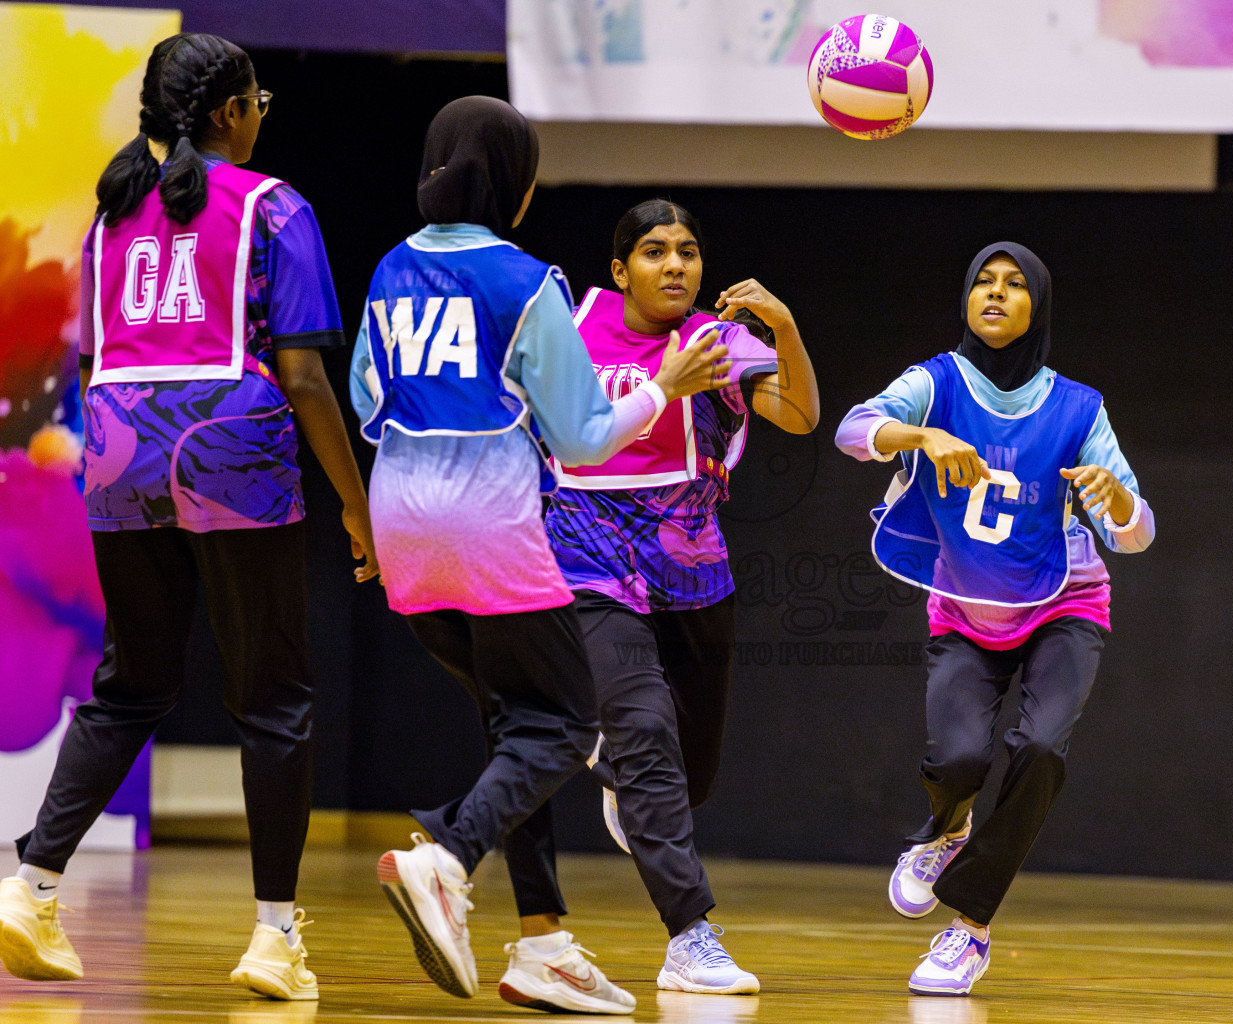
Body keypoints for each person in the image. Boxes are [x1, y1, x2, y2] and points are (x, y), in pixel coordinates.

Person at [0, 33, 377, 1001]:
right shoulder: (273, 205)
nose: (261, 118)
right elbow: (303, 375)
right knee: (274, 700)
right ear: (228, 112)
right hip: (227, 442)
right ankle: (274, 937)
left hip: (118, 443)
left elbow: (94, 363)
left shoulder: (109, 217)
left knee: (130, 685)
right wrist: (356, 502)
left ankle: (31, 886)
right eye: (258, 103)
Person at [351, 99, 730, 1014]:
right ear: (512, 182)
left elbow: (367, 398)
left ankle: (543, 945)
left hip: (399, 521)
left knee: (512, 727)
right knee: (567, 724)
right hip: (490, 523)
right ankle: (447, 855)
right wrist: (663, 387)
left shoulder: (391, 268)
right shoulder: (526, 282)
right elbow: (584, 436)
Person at [510, 199, 819, 996]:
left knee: (689, 777)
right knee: (646, 733)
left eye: (687, 251)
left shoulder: (721, 341)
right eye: (654, 251)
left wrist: (784, 328)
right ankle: (691, 939)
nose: (675, 265)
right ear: (620, 271)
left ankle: (621, 774)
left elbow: (800, 414)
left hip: (691, 570)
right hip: (588, 560)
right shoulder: (573, 326)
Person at [836, 242, 1154, 996]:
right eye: (984, 281)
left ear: (1036, 307)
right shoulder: (935, 383)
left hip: (1064, 605)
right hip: (965, 606)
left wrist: (1118, 501)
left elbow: (1137, 533)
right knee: (959, 761)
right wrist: (921, 435)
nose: (996, 293)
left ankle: (970, 928)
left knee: (1040, 748)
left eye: (1015, 285)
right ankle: (948, 829)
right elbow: (852, 429)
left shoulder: (1079, 407)